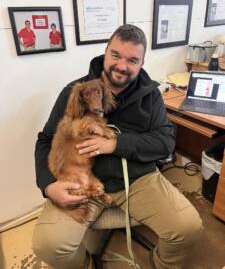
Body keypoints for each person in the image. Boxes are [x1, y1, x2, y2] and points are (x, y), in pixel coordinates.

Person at [33, 24, 202, 269]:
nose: (122, 66)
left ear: (142, 62)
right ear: (105, 51)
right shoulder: (75, 92)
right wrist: (48, 185)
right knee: (48, 245)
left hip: (137, 180)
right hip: (81, 179)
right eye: (115, 55)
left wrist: (115, 144)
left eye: (132, 60)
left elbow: (165, 142)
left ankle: (160, 265)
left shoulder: (151, 95)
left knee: (188, 228)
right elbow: (45, 140)